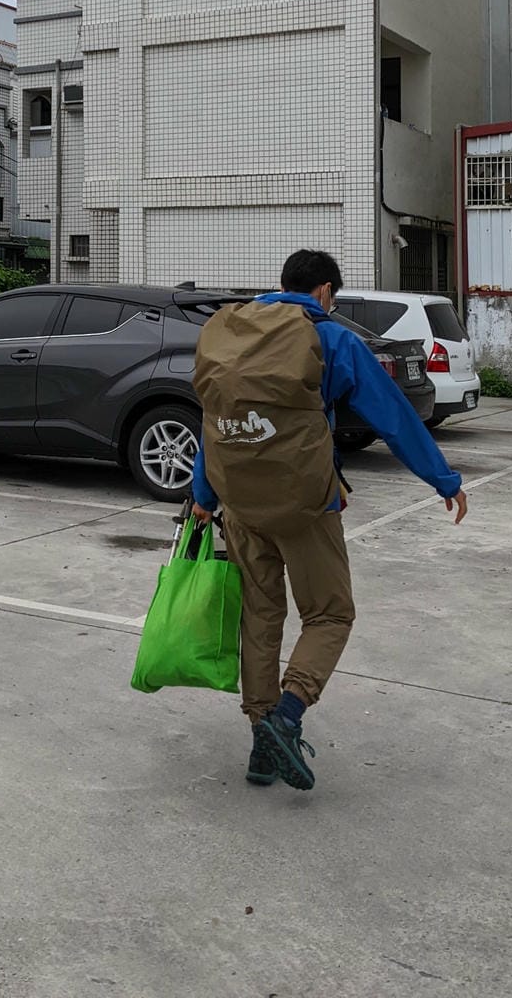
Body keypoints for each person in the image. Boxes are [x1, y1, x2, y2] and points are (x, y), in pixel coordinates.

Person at [190, 249, 468, 791]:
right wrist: (443, 479)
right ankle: (286, 718)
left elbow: (216, 417)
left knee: (261, 617)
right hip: (304, 505)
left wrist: (204, 493)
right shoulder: (329, 337)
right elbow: (391, 412)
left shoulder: (231, 333)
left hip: (240, 501)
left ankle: (259, 745)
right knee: (330, 615)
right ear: (323, 292)